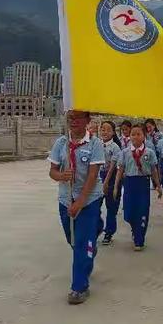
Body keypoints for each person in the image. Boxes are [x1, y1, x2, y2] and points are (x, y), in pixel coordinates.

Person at [48, 110, 105, 305]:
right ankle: (93, 238)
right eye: (70, 118)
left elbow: (92, 176)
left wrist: (80, 202)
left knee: (81, 243)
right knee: (72, 240)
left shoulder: (95, 144)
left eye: (78, 118)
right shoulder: (61, 144)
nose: (73, 122)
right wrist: (61, 176)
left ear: (87, 121)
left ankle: (79, 288)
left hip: (89, 201)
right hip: (66, 199)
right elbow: (52, 171)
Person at [114, 124, 162, 250]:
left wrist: (158, 185)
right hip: (129, 183)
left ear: (144, 136)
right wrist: (116, 186)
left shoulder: (149, 152)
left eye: (138, 134)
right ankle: (135, 229)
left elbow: (154, 170)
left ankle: (139, 239)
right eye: (133, 134)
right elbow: (120, 169)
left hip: (143, 183)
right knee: (129, 212)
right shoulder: (125, 152)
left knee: (142, 210)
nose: (135, 136)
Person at [99, 121, 122, 245]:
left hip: (111, 177)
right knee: (95, 206)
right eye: (102, 129)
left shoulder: (115, 147)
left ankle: (109, 232)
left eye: (108, 130)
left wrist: (106, 183)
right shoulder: (97, 144)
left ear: (113, 132)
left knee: (111, 207)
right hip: (98, 176)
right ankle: (97, 228)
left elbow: (113, 166)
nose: (105, 132)